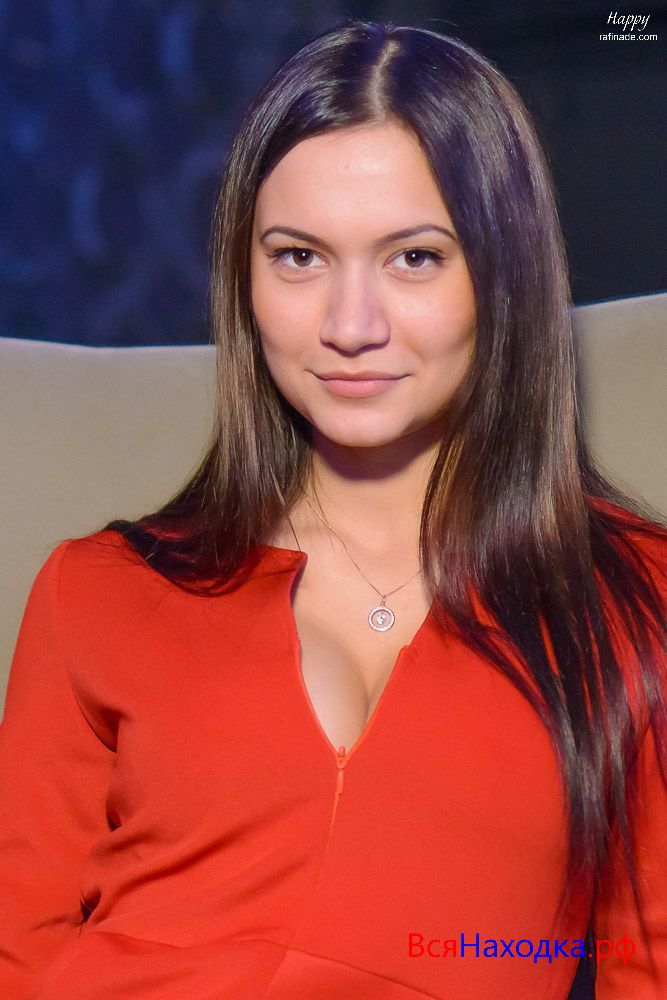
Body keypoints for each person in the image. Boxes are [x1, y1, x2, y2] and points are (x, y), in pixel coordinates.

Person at [0, 18, 665, 1000]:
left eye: (414, 258)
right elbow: (19, 953)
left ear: (506, 277)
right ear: (245, 279)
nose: (350, 326)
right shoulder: (98, 590)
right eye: (299, 257)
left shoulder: (633, 601)